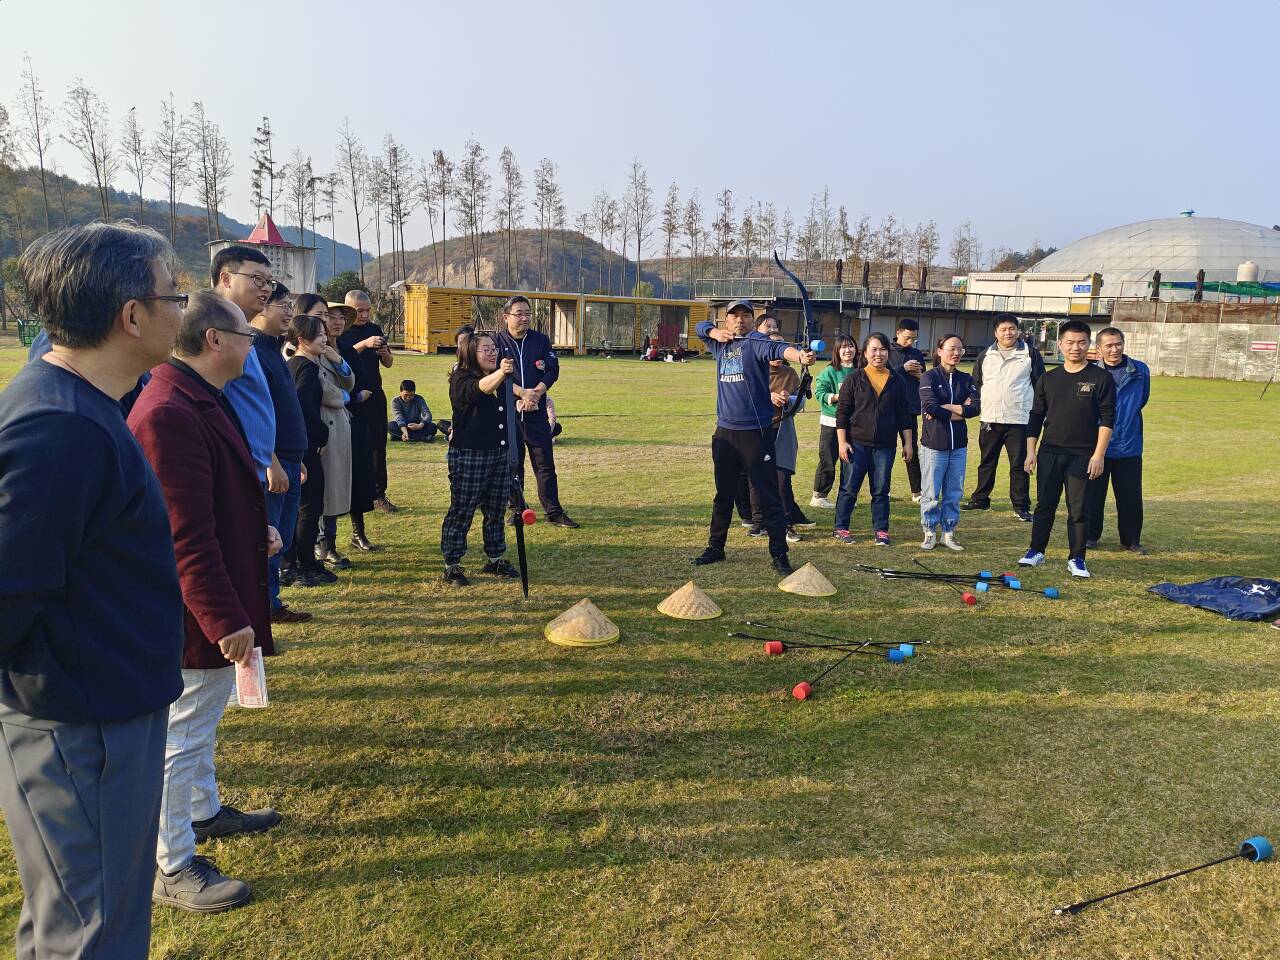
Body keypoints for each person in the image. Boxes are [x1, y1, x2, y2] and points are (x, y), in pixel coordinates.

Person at [0, 222, 185, 957]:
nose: (184, 307)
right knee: (93, 929)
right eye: (174, 293)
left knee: (74, 916)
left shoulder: (82, 403)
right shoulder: (60, 426)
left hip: (96, 710)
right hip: (81, 725)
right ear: (131, 315)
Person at [127, 291, 282, 914]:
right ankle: (170, 863)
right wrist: (223, 619)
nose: (253, 346)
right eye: (247, 335)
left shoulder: (197, 397)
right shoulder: (170, 410)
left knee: (199, 721)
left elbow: (214, 498)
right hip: (191, 615)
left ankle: (202, 811)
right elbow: (182, 535)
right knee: (181, 734)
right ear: (215, 340)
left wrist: (255, 530)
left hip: (212, 598)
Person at [691, 299, 815, 574]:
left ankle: (779, 554)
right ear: (726, 320)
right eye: (734, 316)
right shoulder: (720, 344)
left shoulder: (756, 341)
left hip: (755, 434)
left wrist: (800, 356)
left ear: (751, 320)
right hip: (725, 432)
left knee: (768, 496)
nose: (740, 320)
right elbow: (699, 327)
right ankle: (715, 548)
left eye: (746, 315)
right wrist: (714, 333)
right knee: (723, 495)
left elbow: (777, 348)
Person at [1019, 319, 1117, 579]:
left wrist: (1098, 455)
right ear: (1060, 344)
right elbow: (1036, 416)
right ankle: (1036, 550)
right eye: (1070, 342)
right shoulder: (1048, 378)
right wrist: (1031, 451)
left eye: (1081, 342)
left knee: (1079, 509)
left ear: (1089, 345)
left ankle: (1077, 558)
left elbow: (1108, 419)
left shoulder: (1101, 378)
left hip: (1083, 454)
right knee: (1044, 505)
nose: (1076, 347)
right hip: (1050, 452)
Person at [440, 332, 522, 585]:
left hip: (499, 454)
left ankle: (495, 558)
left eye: (494, 348)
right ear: (470, 353)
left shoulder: (500, 378)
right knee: (462, 510)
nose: (492, 353)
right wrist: (502, 373)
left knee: (496, 509)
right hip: (470, 454)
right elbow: (479, 390)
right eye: (485, 349)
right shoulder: (461, 378)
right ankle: (452, 564)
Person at [494, 295, 579, 527]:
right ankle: (517, 509)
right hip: (509, 414)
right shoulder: (496, 342)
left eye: (528, 313)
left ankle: (554, 512)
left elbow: (552, 370)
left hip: (537, 412)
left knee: (545, 464)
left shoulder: (540, 341)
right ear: (506, 317)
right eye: (519, 313)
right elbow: (492, 376)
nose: (524, 318)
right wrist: (522, 393)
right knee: (513, 464)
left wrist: (536, 393)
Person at [833, 332, 915, 546]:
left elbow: (904, 415)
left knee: (881, 490)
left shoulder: (897, 381)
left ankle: (881, 530)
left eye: (883, 349)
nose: (879, 354)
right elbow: (842, 413)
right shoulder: (854, 378)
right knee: (849, 488)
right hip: (856, 444)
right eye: (874, 349)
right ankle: (841, 527)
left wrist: (908, 443)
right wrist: (842, 442)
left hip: (885, 446)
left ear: (888, 352)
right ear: (865, 353)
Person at [963, 313, 1045, 521]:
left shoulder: (1030, 354)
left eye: (1012, 329)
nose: (1008, 333)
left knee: (1019, 465)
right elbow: (977, 384)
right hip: (990, 418)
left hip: (1019, 419)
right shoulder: (985, 355)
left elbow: (1040, 385)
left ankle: (1021, 505)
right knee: (987, 462)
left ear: (1018, 331)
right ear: (995, 333)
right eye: (1003, 329)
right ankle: (980, 499)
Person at [1085, 327, 1151, 554]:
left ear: (1123, 344)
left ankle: (1131, 539)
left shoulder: (1140, 370)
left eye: (1118, 344)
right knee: (1093, 494)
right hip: (1096, 446)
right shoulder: (1091, 372)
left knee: (1130, 496)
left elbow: (1142, 400)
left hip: (1129, 444)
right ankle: (1091, 535)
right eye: (1108, 345)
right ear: (1099, 348)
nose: (1114, 349)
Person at [918, 334, 980, 551]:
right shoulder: (929, 377)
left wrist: (947, 408)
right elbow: (930, 407)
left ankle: (948, 532)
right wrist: (960, 410)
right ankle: (929, 531)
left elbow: (975, 409)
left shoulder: (966, 379)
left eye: (960, 349)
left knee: (954, 493)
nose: (956, 353)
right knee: (931, 493)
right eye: (951, 348)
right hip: (934, 445)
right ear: (939, 351)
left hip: (959, 446)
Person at [339, 289, 397, 512]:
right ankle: (351, 495)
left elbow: (389, 363)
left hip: (374, 395)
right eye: (359, 311)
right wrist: (364, 344)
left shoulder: (375, 330)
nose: (364, 315)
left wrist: (384, 353)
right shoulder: (340, 330)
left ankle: (379, 494)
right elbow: (340, 358)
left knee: (378, 446)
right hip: (350, 396)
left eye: (367, 310)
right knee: (352, 446)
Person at [748, 332, 808, 543]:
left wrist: (789, 399)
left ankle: (787, 523)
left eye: (781, 348)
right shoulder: (753, 369)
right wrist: (768, 396)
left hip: (782, 430)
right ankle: (759, 522)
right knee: (756, 478)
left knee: (782, 479)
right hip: (756, 430)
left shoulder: (790, 374)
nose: (777, 354)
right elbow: (744, 397)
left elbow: (802, 401)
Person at [287, 313, 332, 586]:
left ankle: (295, 561)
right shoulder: (306, 368)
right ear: (302, 339)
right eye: (320, 334)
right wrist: (320, 435)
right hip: (306, 446)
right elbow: (303, 406)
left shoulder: (292, 364)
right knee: (309, 507)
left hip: (297, 443)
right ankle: (306, 563)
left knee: (299, 507)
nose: (325, 339)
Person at [314, 299, 358, 570]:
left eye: (341, 317)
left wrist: (337, 359)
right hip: (323, 425)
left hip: (340, 425)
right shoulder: (306, 351)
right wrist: (347, 397)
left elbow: (350, 381)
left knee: (335, 487)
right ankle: (322, 544)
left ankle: (329, 542)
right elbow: (327, 391)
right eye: (330, 316)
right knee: (325, 488)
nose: (337, 322)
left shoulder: (336, 350)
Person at [811, 335, 858, 508]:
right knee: (828, 460)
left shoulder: (860, 370)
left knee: (850, 461)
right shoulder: (829, 371)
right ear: (837, 351)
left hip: (854, 423)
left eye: (851, 346)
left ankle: (846, 496)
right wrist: (838, 397)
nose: (848, 350)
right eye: (843, 347)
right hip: (831, 422)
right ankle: (819, 496)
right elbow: (819, 394)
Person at [887, 318, 927, 502]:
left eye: (914, 338)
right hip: (888, 408)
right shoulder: (886, 351)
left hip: (909, 408)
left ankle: (917, 491)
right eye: (907, 337)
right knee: (886, 450)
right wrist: (902, 368)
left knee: (911, 449)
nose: (910, 342)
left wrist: (920, 375)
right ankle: (883, 490)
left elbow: (925, 379)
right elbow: (882, 375)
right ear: (898, 333)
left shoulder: (917, 354)